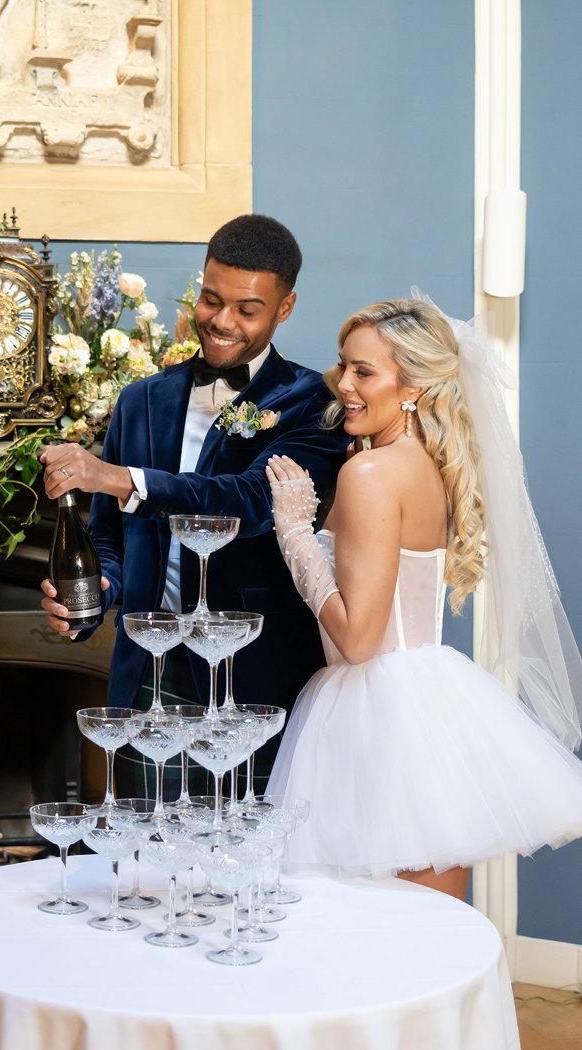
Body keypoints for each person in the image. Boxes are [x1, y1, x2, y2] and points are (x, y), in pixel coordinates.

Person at [265, 296, 582, 900]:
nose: (343, 385)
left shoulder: (370, 473)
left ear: (411, 385)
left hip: (375, 714)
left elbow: (358, 641)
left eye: (365, 371)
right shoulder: (425, 465)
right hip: (428, 705)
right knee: (431, 933)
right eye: (344, 366)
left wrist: (295, 535)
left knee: (373, 937)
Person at [40, 214, 350, 797]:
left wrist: (118, 476)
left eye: (247, 309)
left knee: (243, 865)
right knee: (146, 866)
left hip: (255, 680)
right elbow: (110, 535)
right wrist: (101, 587)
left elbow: (253, 501)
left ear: (284, 308)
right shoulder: (141, 400)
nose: (222, 321)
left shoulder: (313, 403)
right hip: (150, 674)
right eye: (211, 299)